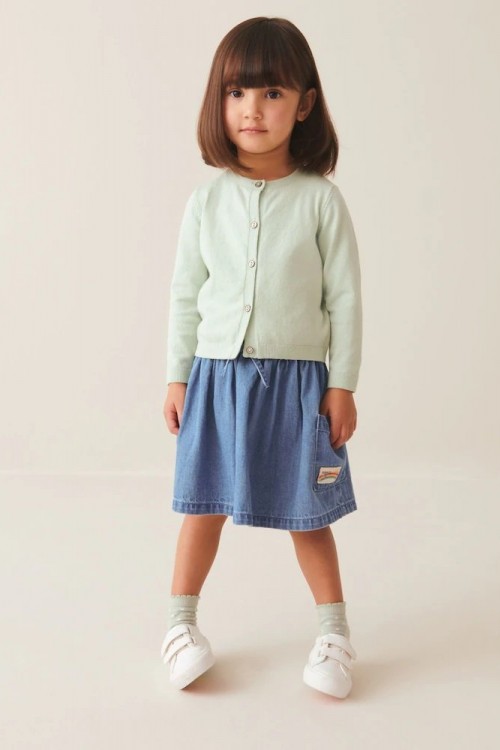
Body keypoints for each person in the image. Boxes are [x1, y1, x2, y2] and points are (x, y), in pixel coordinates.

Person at [160, 16, 362, 699]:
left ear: (304, 104)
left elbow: (346, 299)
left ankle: (334, 634)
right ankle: (179, 626)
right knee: (203, 506)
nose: (252, 108)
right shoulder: (206, 200)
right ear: (219, 102)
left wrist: (342, 385)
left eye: (272, 92)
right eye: (237, 92)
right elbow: (185, 294)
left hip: (299, 385)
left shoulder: (321, 201)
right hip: (217, 380)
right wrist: (178, 375)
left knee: (310, 512)